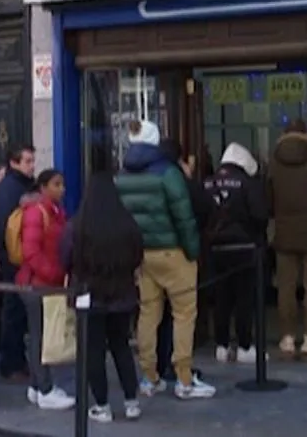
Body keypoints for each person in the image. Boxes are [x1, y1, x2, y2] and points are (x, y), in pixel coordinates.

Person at [113, 120, 212, 400]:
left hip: (143, 254)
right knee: (184, 314)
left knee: (147, 314)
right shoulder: (168, 173)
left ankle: (149, 376)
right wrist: (192, 251)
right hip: (173, 252)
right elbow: (184, 216)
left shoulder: (123, 175)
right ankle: (184, 378)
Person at [60, 172, 144, 423]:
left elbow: (65, 257)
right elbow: (138, 255)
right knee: (121, 347)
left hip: (89, 295)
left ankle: (102, 404)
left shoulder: (77, 225)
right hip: (122, 293)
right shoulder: (127, 223)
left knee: (93, 352)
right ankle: (132, 401)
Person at [267, 119, 307, 356]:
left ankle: (287, 337)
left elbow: (268, 198)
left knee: (286, 286)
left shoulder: (274, 160)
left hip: (284, 231)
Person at [203, 142, 270, 363]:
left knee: (222, 299)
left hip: (216, 249)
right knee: (244, 299)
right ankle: (244, 345)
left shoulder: (208, 183)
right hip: (244, 249)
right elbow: (261, 215)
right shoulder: (248, 183)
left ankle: (221, 345)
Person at [15, 169, 74, 410]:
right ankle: (45, 388)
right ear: (43, 187)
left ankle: (36, 385)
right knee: (40, 336)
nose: (62, 189)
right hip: (37, 284)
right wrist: (54, 274)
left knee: (42, 333)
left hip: (47, 283)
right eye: (56, 184)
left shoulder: (57, 212)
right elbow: (31, 252)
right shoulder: (36, 213)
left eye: (62, 184)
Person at [157, 138, 214, 380]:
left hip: (148, 253)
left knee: (152, 313)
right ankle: (180, 369)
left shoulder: (147, 177)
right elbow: (203, 207)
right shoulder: (178, 179)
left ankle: (153, 369)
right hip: (178, 252)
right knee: (181, 312)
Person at [0, 145, 35, 382]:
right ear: (14, 163)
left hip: (18, 256)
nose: (32, 165)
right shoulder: (11, 189)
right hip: (15, 257)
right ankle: (11, 362)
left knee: (18, 311)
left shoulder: (22, 185)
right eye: (27, 161)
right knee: (14, 311)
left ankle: (16, 360)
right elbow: (8, 227)